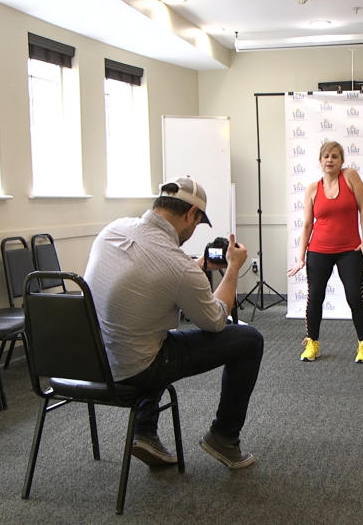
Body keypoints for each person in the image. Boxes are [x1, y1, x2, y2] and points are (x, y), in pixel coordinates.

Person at [84, 176, 264, 470]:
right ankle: (224, 437)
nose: (192, 232)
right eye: (196, 225)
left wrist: (197, 268)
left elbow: (151, 275)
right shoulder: (176, 264)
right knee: (249, 339)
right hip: (134, 369)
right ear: (192, 214)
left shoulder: (113, 229)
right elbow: (216, 321)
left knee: (152, 330)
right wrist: (232, 269)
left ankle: (145, 431)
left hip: (92, 360)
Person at [287, 140, 363, 363]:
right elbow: (307, 224)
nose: (330, 160)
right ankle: (312, 344)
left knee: (355, 296)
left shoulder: (351, 177)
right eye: (326, 156)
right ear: (320, 161)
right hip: (318, 250)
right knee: (315, 296)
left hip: (350, 250)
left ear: (342, 161)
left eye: (335, 156)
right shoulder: (312, 189)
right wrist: (300, 258)